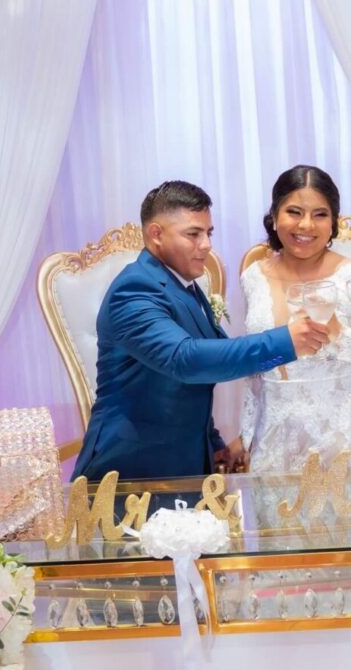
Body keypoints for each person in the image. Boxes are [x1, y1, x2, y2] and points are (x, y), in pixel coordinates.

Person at [72, 180, 330, 483]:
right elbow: (186, 360)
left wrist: (213, 443)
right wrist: (286, 340)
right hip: (130, 472)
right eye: (193, 234)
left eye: (208, 233)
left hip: (187, 463)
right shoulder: (134, 289)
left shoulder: (185, 285)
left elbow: (192, 382)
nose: (206, 245)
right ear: (156, 234)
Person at [227, 166, 351, 474]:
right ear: (275, 216)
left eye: (320, 214)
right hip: (273, 441)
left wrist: (338, 333)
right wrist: (246, 433)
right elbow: (255, 367)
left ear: (333, 222)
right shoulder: (253, 276)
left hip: (341, 440)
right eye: (294, 211)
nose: (306, 225)